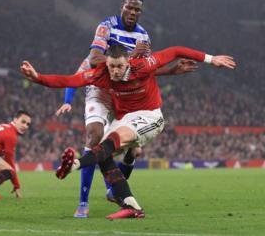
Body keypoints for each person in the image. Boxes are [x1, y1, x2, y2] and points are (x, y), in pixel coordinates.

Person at [21, 45, 235, 218]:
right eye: (112, 66)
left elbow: (176, 50)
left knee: (113, 139)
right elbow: (69, 80)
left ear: (128, 63)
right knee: (101, 150)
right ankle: (131, 205)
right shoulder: (101, 73)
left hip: (150, 116)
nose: (115, 71)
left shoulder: (143, 65)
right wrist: (37, 77)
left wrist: (210, 58)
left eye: (119, 66)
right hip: (125, 119)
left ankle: (75, 164)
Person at [55, 0, 196, 218]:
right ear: (122, 6)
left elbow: (144, 71)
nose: (132, 12)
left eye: (137, 9)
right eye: (129, 7)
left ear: (141, 12)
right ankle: (83, 201)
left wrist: (172, 70)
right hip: (101, 89)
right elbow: (93, 59)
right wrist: (68, 101)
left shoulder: (143, 37)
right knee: (94, 138)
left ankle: (116, 191)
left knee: (133, 149)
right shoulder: (107, 26)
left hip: (124, 93)